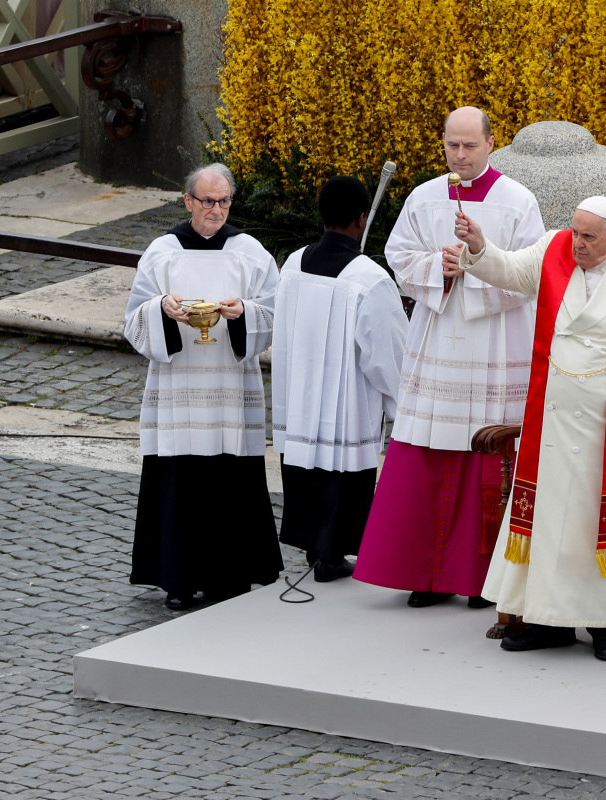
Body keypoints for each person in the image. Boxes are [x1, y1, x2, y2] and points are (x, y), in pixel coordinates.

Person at [453, 196, 606, 661]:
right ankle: (546, 621)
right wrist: (480, 244)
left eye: (588, 237)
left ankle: (605, 625)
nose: (577, 244)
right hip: (553, 416)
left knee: (597, 526)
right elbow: (507, 271)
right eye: (575, 232)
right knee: (546, 522)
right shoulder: (553, 248)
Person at [354, 106, 545, 609]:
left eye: (470, 146)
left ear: (490, 143)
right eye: (452, 146)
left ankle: (482, 577)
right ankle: (427, 573)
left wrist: (478, 267)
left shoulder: (517, 202)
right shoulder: (424, 197)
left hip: (496, 344)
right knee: (430, 451)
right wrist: (438, 267)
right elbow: (398, 257)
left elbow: (532, 276)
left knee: (488, 457)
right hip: (438, 339)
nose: (460, 156)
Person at [124, 164, 283, 609]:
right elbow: (133, 319)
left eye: (225, 201)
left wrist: (244, 313)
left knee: (230, 479)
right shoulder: (163, 252)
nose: (217, 210)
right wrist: (161, 309)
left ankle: (230, 575)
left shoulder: (249, 252)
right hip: (178, 391)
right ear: (188, 201)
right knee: (181, 481)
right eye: (208, 201)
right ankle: (178, 577)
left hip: (231, 392)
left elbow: (274, 314)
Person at [272, 177, 408, 581]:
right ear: (362, 219)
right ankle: (331, 554)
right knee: (341, 469)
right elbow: (388, 355)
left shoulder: (293, 264)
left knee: (307, 465)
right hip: (345, 403)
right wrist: (401, 404)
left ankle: (317, 548)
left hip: (299, 396)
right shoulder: (370, 279)